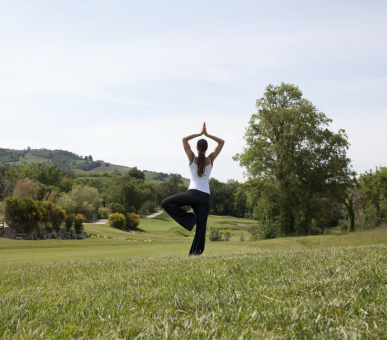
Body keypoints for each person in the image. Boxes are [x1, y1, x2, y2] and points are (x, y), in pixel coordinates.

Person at [161, 122, 225, 255]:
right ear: (206, 149)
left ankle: (190, 220)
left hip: (192, 194)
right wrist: (207, 134)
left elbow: (184, 139)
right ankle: (195, 255)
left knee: (166, 203)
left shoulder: (192, 158)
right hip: (205, 197)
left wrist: (199, 133)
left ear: (196, 147)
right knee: (201, 229)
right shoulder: (211, 159)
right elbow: (221, 142)